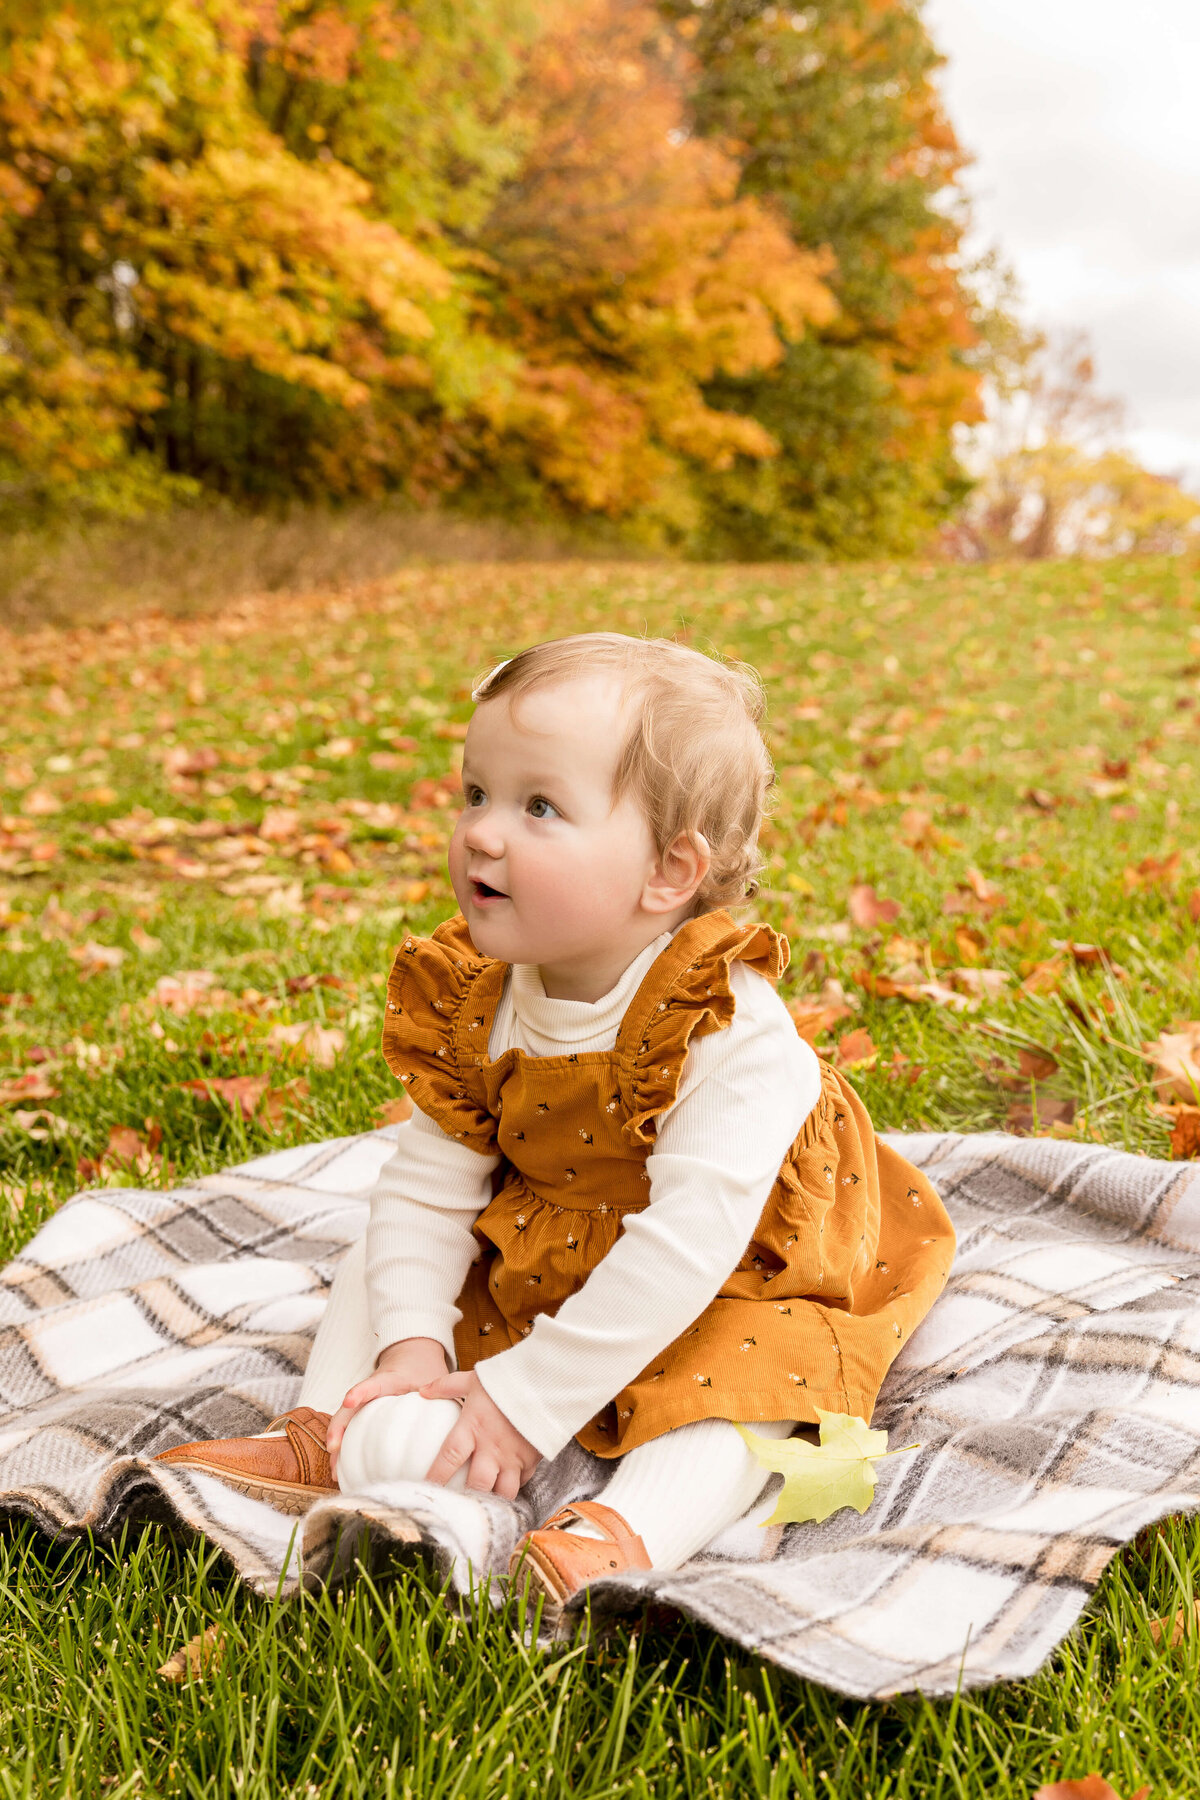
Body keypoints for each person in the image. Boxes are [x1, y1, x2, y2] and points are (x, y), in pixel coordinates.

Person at [158, 633, 955, 1605]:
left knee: (759, 1374)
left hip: (729, 1257)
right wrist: (413, 1342)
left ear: (669, 872)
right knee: (386, 1255)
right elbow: (426, 1184)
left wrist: (522, 1405)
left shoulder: (727, 1029)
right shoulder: (477, 998)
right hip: (558, 1215)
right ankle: (325, 1431)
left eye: (539, 807)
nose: (483, 834)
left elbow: (681, 1249)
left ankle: (625, 1528)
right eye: (475, 794)